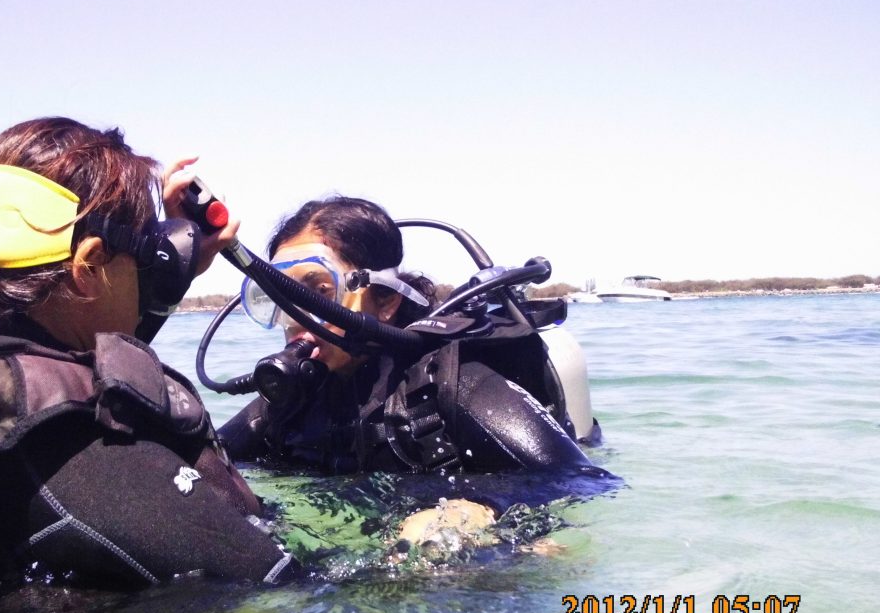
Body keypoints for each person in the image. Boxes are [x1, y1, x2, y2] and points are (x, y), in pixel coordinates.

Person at [0, 117, 298, 599]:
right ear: (88, 266)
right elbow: (275, 584)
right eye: (144, 259)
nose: (151, 269)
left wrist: (163, 285)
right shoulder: (64, 443)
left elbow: (62, 346)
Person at [218, 196, 612, 488]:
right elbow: (196, 466)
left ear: (386, 300)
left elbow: (584, 483)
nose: (296, 320)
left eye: (319, 293)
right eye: (282, 300)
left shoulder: (452, 386)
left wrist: (477, 513)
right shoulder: (289, 404)